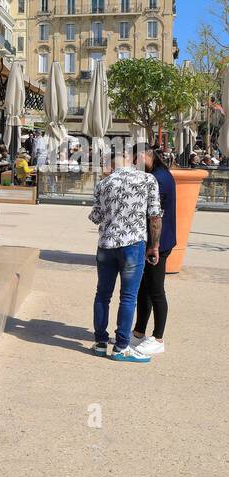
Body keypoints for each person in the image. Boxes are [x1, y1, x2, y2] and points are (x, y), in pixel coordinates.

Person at [89, 142, 162, 361]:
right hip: (133, 244)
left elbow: (96, 217)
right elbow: (155, 217)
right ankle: (121, 347)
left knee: (103, 294)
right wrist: (155, 246)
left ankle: (100, 342)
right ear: (130, 159)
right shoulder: (148, 180)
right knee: (128, 297)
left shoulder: (104, 184)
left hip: (106, 245)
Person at [131, 148, 177, 356]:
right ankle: (139, 332)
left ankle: (158, 338)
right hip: (158, 240)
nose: (134, 166)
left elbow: (154, 216)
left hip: (158, 242)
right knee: (145, 288)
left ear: (142, 156)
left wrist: (154, 246)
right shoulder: (161, 174)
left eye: (135, 161)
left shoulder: (156, 179)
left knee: (156, 290)